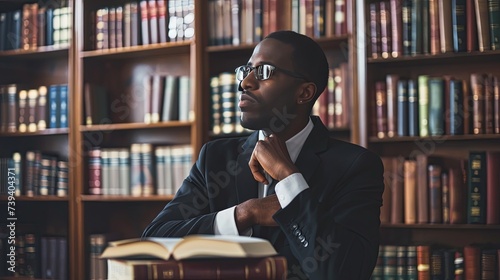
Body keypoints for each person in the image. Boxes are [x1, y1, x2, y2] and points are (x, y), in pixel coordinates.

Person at [142, 30, 384, 279]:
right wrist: (245, 213)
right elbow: (154, 241)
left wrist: (290, 178)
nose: (244, 83)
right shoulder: (215, 158)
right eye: (246, 70)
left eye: (264, 71)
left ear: (304, 93)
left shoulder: (355, 166)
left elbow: (344, 271)